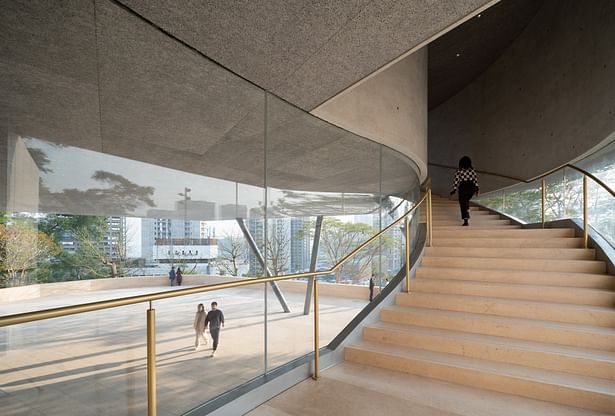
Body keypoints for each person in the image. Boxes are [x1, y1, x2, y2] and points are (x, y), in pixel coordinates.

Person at [450, 156, 480, 226]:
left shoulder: (459, 170)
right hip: (471, 187)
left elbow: (456, 181)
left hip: (463, 187)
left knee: (463, 203)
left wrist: (454, 189)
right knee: (466, 201)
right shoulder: (472, 170)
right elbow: (475, 180)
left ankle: (466, 220)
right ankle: (467, 208)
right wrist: (477, 188)